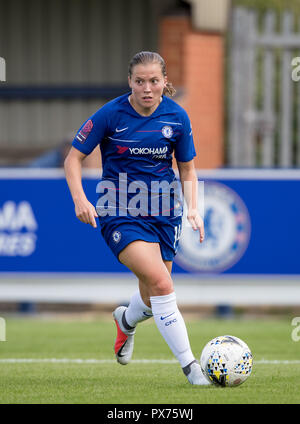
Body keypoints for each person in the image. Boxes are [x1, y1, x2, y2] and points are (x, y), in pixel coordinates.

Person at [64, 51, 210, 386]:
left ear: (164, 82)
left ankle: (126, 320)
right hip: (119, 210)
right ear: (129, 81)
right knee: (162, 284)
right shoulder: (111, 114)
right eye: (140, 81)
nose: (147, 88)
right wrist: (80, 199)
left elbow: (186, 167)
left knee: (151, 294)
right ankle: (192, 369)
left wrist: (192, 207)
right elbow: (74, 158)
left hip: (163, 213)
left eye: (154, 81)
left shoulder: (177, 117)